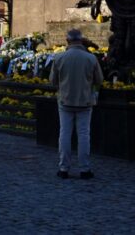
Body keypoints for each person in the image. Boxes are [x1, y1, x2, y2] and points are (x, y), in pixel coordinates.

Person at [49, 28, 104, 179]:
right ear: (81, 40)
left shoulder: (59, 57)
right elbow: (99, 80)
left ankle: (63, 168)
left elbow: (52, 81)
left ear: (67, 40)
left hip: (65, 100)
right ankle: (85, 169)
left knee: (65, 134)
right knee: (84, 135)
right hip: (85, 101)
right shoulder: (90, 58)